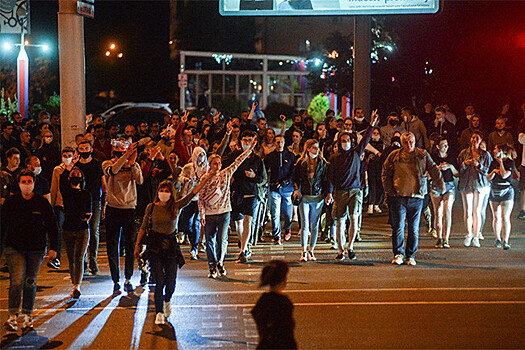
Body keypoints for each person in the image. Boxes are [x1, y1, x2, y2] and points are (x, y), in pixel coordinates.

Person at [134, 177, 213, 325]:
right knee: (159, 281)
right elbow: (143, 227)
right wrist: (137, 245)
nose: (164, 193)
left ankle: (167, 300)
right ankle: (158, 312)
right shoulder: (151, 207)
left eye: (167, 191)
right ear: (157, 192)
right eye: (161, 191)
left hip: (170, 247)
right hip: (154, 247)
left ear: (172, 193)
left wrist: (206, 178)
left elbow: (192, 193)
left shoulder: (176, 206)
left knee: (170, 283)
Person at [2, 170, 58, 332]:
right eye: (23, 182)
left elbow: (52, 226)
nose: (26, 185)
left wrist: (54, 248)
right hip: (14, 247)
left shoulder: (41, 203)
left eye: (29, 182)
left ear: (34, 184)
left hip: (36, 248)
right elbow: (2, 225)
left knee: (30, 281)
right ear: (18, 184)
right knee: (17, 280)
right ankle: (12, 316)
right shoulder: (11, 202)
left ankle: (27, 315)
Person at [382, 132, 444, 265]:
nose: (409, 145)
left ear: (415, 142)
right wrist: (390, 190)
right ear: (401, 143)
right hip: (398, 196)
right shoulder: (394, 155)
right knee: (398, 226)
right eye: (406, 142)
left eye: (411, 142)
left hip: (417, 196)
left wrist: (440, 183)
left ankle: (410, 255)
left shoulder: (422, 154)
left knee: (413, 228)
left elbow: (433, 168)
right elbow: (385, 172)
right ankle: (398, 253)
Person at [198, 138, 257, 278]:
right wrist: (202, 214)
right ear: (209, 164)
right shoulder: (204, 178)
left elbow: (238, 161)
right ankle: (212, 266)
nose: (217, 165)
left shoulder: (226, 173)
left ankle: (220, 262)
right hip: (210, 214)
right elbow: (200, 197)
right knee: (210, 240)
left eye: (219, 163)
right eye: (214, 163)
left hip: (224, 212)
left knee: (222, 239)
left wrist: (249, 149)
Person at [328, 110, 379, 261]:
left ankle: (350, 247)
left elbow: (366, 139)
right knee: (339, 222)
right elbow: (330, 177)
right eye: (343, 141)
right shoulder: (334, 158)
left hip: (355, 191)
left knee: (354, 218)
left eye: (348, 140)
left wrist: (371, 124)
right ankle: (340, 250)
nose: (346, 143)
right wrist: (329, 193)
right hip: (340, 192)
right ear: (339, 142)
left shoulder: (357, 153)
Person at [102, 140, 144, 295]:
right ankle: (115, 280)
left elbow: (139, 181)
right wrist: (125, 157)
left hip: (129, 208)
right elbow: (112, 171)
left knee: (130, 244)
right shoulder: (107, 163)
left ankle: (128, 278)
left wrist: (132, 164)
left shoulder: (134, 164)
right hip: (113, 208)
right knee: (112, 245)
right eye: (117, 147)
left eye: (124, 148)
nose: (120, 149)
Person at [224, 130, 266, 263]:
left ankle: (243, 250)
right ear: (240, 142)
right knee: (238, 223)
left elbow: (263, 179)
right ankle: (245, 245)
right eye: (244, 140)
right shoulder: (234, 156)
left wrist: (254, 177)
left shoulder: (257, 159)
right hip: (237, 193)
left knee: (248, 220)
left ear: (254, 142)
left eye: (250, 140)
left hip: (251, 193)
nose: (247, 143)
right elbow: (223, 168)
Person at [293, 140, 329, 262]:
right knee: (304, 225)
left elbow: (325, 180)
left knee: (315, 225)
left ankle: (311, 250)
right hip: (305, 197)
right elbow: (295, 178)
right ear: (307, 149)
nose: (316, 150)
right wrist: (297, 189)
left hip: (318, 196)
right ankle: (303, 251)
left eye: (317, 148)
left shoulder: (322, 163)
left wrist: (327, 194)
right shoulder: (301, 163)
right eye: (313, 148)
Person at [59, 163, 92, 298]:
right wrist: (69, 167)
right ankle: (74, 283)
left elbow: (88, 213)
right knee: (71, 258)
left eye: (78, 175)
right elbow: (61, 181)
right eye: (73, 175)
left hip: (82, 230)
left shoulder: (86, 194)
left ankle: (77, 286)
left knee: (79, 257)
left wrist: (84, 217)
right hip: (67, 229)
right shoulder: (66, 192)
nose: (75, 176)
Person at [75, 140, 106, 275]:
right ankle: (83, 262)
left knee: (94, 230)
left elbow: (103, 185)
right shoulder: (76, 166)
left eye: (86, 148)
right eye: (81, 148)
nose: (84, 151)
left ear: (91, 149)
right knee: (82, 232)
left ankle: (93, 259)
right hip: (80, 202)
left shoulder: (97, 165)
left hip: (95, 200)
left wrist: (104, 204)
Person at [457, 132, 492, 248]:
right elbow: (459, 169)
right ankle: (469, 233)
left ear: (481, 140)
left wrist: (478, 165)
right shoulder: (464, 153)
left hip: (480, 183)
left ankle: (476, 236)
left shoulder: (485, 154)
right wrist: (465, 163)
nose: (475, 140)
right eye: (473, 137)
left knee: (477, 210)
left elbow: (487, 170)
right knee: (468, 210)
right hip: (467, 183)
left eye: (477, 138)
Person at [251, 260, 296, 349]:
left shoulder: (263, 300)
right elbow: (287, 334)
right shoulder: (283, 302)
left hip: (264, 345)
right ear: (284, 280)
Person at [178, 147, 209, 260]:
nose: (201, 157)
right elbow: (180, 177)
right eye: (199, 155)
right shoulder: (188, 167)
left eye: (203, 155)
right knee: (189, 223)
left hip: (201, 198)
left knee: (197, 223)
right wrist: (185, 179)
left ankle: (194, 248)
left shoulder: (207, 168)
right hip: (189, 198)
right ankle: (191, 242)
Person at [265, 135, 296, 244]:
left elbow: (293, 172)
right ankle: (276, 236)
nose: (279, 144)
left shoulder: (291, 156)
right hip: (274, 188)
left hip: (287, 188)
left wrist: (286, 182)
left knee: (288, 213)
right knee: (275, 213)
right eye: (277, 142)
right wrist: (268, 182)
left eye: (281, 142)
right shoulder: (270, 156)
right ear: (275, 143)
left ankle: (287, 228)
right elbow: (265, 170)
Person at [49, 147, 76, 270]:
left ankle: (77, 260)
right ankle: (56, 258)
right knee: (58, 231)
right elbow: (54, 188)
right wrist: (51, 205)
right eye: (64, 155)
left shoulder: (76, 169)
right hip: (60, 204)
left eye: (69, 155)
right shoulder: (57, 170)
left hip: (73, 205)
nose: (66, 158)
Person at [430, 137, 459, 248]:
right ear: (438, 147)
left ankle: (446, 238)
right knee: (438, 212)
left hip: (449, 185)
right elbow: (428, 174)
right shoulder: (433, 158)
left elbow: (457, 174)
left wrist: (450, 167)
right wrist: (438, 168)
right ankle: (439, 238)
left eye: (447, 144)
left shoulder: (451, 158)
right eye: (443, 145)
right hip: (436, 186)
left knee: (447, 210)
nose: (446, 147)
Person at [487, 145, 516, 250]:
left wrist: (500, 163)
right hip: (494, 191)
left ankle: (506, 240)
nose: (494, 152)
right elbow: (488, 178)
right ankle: (497, 238)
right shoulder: (492, 162)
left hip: (506, 191)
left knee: (505, 216)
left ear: (501, 151)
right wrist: (494, 171)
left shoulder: (509, 162)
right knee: (496, 217)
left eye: (496, 150)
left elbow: (504, 175)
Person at [365, 127, 384, 214]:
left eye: (377, 133)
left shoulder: (382, 144)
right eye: (374, 133)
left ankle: (377, 204)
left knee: (379, 186)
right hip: (371, 167)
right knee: (372, 186)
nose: (376, 135)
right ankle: (370, 205)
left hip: (380, 167)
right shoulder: (368, 144)